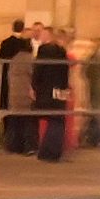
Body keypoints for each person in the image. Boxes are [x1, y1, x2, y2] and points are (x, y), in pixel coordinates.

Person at [31, 24, 72, 163]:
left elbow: (39, 69)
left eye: (42, 34)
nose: (40, 36)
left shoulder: (44, 50)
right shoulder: (61, 51)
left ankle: (46, 151)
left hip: (46, 88)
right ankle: (53, 152)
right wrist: (66, 88)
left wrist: (33, 86)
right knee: (58, 119)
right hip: (60, 88)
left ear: (48, 36)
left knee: (49, 118)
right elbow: (65, 71)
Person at [0, 19, 34, 153]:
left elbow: (0, 60)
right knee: (21, 116)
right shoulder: (23, 49)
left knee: (9, 112)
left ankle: (7, 141)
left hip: (8, 81)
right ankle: (20, 144)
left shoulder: (6, 43)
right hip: (22, 86)